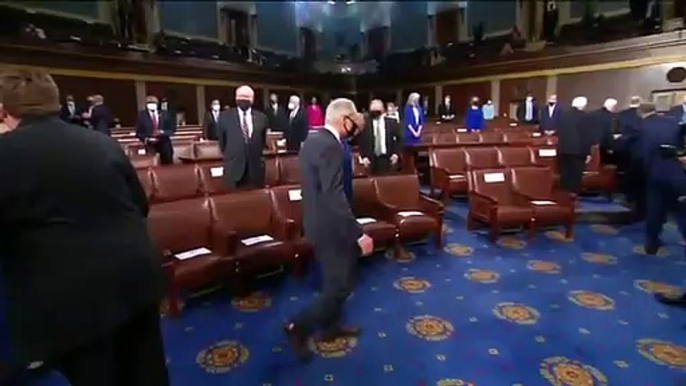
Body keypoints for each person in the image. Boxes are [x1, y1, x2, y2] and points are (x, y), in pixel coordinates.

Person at [0, 69, 169, 385]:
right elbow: (140, 205)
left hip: (74, 300)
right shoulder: (102, 143)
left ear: (4, 111)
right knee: (148, 374)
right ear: (57, 103)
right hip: (136, 277)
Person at [284, 98, 374, 362]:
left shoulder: (312, 140)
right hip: (330, 226)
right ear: (341, 118)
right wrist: (359, 233)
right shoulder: (331, 146)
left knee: (336, 279)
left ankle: (330, 328)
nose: (357, 125)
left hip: (317, 222)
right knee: (341, 285)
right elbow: (334, 195)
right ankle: (297, 326)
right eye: (354, 119)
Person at [638, 102, 686, 257]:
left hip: (656, 174)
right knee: (682, 212)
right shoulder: (673, 122)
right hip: (678, 175)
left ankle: (652, 245)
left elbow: (644, 154)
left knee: (655, 211)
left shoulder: (644, 127)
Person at [218, 85, 268, 188]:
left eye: (247, 97)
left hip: (255, 169)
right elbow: (222, 143)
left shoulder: (262, 118)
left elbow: (262, 141)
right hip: (234, 169)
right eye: (241, 96)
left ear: (252, 99)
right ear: (236, 98)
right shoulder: (225, 117)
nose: (243, 99)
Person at [617, 96, 646, 217]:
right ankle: (633, 200)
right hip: (637, 149)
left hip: (623, 147)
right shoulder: (641, 116)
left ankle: (626, 196)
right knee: (636, 175)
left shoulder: (621, 114)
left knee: (626, 172)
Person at [557, 96, 593, 193]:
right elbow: (586, 136)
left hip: (563, 150)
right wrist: (588, 153)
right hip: (578, 151)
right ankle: (573, 199)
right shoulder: (585, 117)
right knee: (575, 177)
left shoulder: (563, 114)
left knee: (565, 176)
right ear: (583, 106)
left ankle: (563, 198)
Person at [359, 99, 401, 175]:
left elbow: (399, 139)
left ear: (383, 110)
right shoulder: (365, 124)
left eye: (377, 110)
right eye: (373, 110)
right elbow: (361, 141)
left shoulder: (391, 122)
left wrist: (396, 153)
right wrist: (363, 156)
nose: (375, 113)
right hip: (370, 159)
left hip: (387, 158)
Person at [135, 95, 177, 165]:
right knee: (151, 163)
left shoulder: (165, 114)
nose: (151, 104)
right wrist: (147, 139)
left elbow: (172, 129)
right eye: (149, 103)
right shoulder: (141, 115)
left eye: (153, 103)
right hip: (150, 144)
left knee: (168, 163)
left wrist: (162, 132)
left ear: (157, 104)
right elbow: (139, 132)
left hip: (164, 143)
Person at [590, 98, 618, 164]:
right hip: (605, 145)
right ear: (613, 107)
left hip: (592, 144)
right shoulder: (611, 117)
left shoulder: (593, 113)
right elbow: (609, 132)